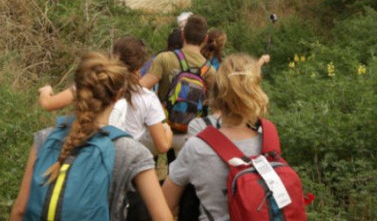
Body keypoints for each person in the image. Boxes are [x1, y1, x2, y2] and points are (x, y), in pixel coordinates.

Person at [10, 52, 172, 221]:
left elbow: (19, 211)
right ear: (119, 95)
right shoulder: (130, 152)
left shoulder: (45, 138)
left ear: (76, 90)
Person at [161, 53, 270, 220]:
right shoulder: (269, 140)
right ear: (254, 91)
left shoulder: (197, 147)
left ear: (216, 93)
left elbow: (164, 205)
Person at [38, 36, 173, 154]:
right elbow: (163, 146)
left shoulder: (93, 83)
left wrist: (46, 90)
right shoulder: (147, 98)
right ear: (138, 69)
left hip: (90, 152)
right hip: (125, 160)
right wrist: (168, 132)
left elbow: (48, 104)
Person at [140, 14, 215, 156]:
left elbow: (140, 88)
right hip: (189, 134)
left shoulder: (165, 58)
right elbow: (213, 102)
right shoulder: (210, 70)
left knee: (134, 152)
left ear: (182, 35)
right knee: (183, 175)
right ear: (205, 39)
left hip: (161, 129)